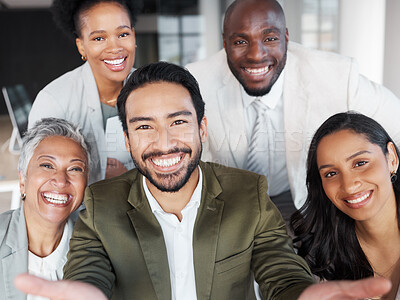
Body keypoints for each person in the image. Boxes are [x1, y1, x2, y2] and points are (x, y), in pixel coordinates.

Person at [14, 63, 393, 300]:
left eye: (178, 122)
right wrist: (86, 292)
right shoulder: (101, 203)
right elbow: (88, 272)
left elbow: (281, 272)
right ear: (127, 140)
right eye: (144, 127)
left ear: (202, 129)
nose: (163, 144)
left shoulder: (249, 193)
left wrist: (305, 294)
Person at [186, 0, 400, 220]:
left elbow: (397, 126)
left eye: (270, 39)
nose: (256, 55)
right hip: (230, 204)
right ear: (225, 43)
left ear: (286, 38)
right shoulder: (196, 82)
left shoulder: (335, 75)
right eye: (240, 41)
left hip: (305, 202)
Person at [28, 0, 141, 183]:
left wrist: (129, 178)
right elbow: (41, 177)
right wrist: (97, 176)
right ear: (81, 46)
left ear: (133, 36)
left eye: (123, 34)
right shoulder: (54, 101)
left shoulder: (152, 89)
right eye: (99, 38)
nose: (115, 47)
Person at [291, 112, 400, 300]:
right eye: (331, 174)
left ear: (391, 159)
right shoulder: (317, 256)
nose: (349, 185)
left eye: (360, 163)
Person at [0, 118, 90, 300]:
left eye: (75, 169)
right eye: (47, 165)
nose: (61, 180)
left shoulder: (97, 249)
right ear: (23, 180)